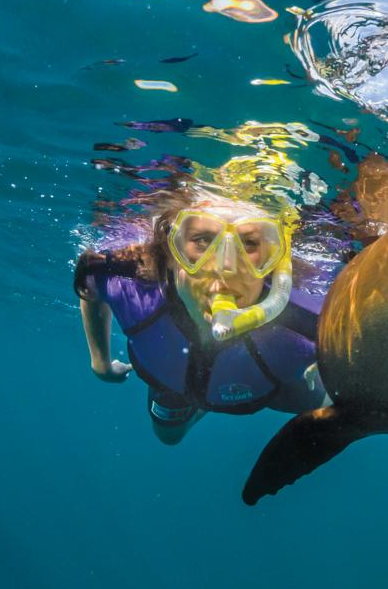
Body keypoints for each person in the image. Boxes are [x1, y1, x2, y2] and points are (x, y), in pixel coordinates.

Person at [74, 186, 329, 445]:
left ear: (274, 261)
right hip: (173, 385)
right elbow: (91, 286)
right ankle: (203, 401)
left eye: (249, 243)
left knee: (333, 407)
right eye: (203, 241)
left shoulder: (311, 327)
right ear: (172, 253)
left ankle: (207, 397)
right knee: (168, 436)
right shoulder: (131, 283)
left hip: (274, 388)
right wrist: (100, 362)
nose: (225, 267)